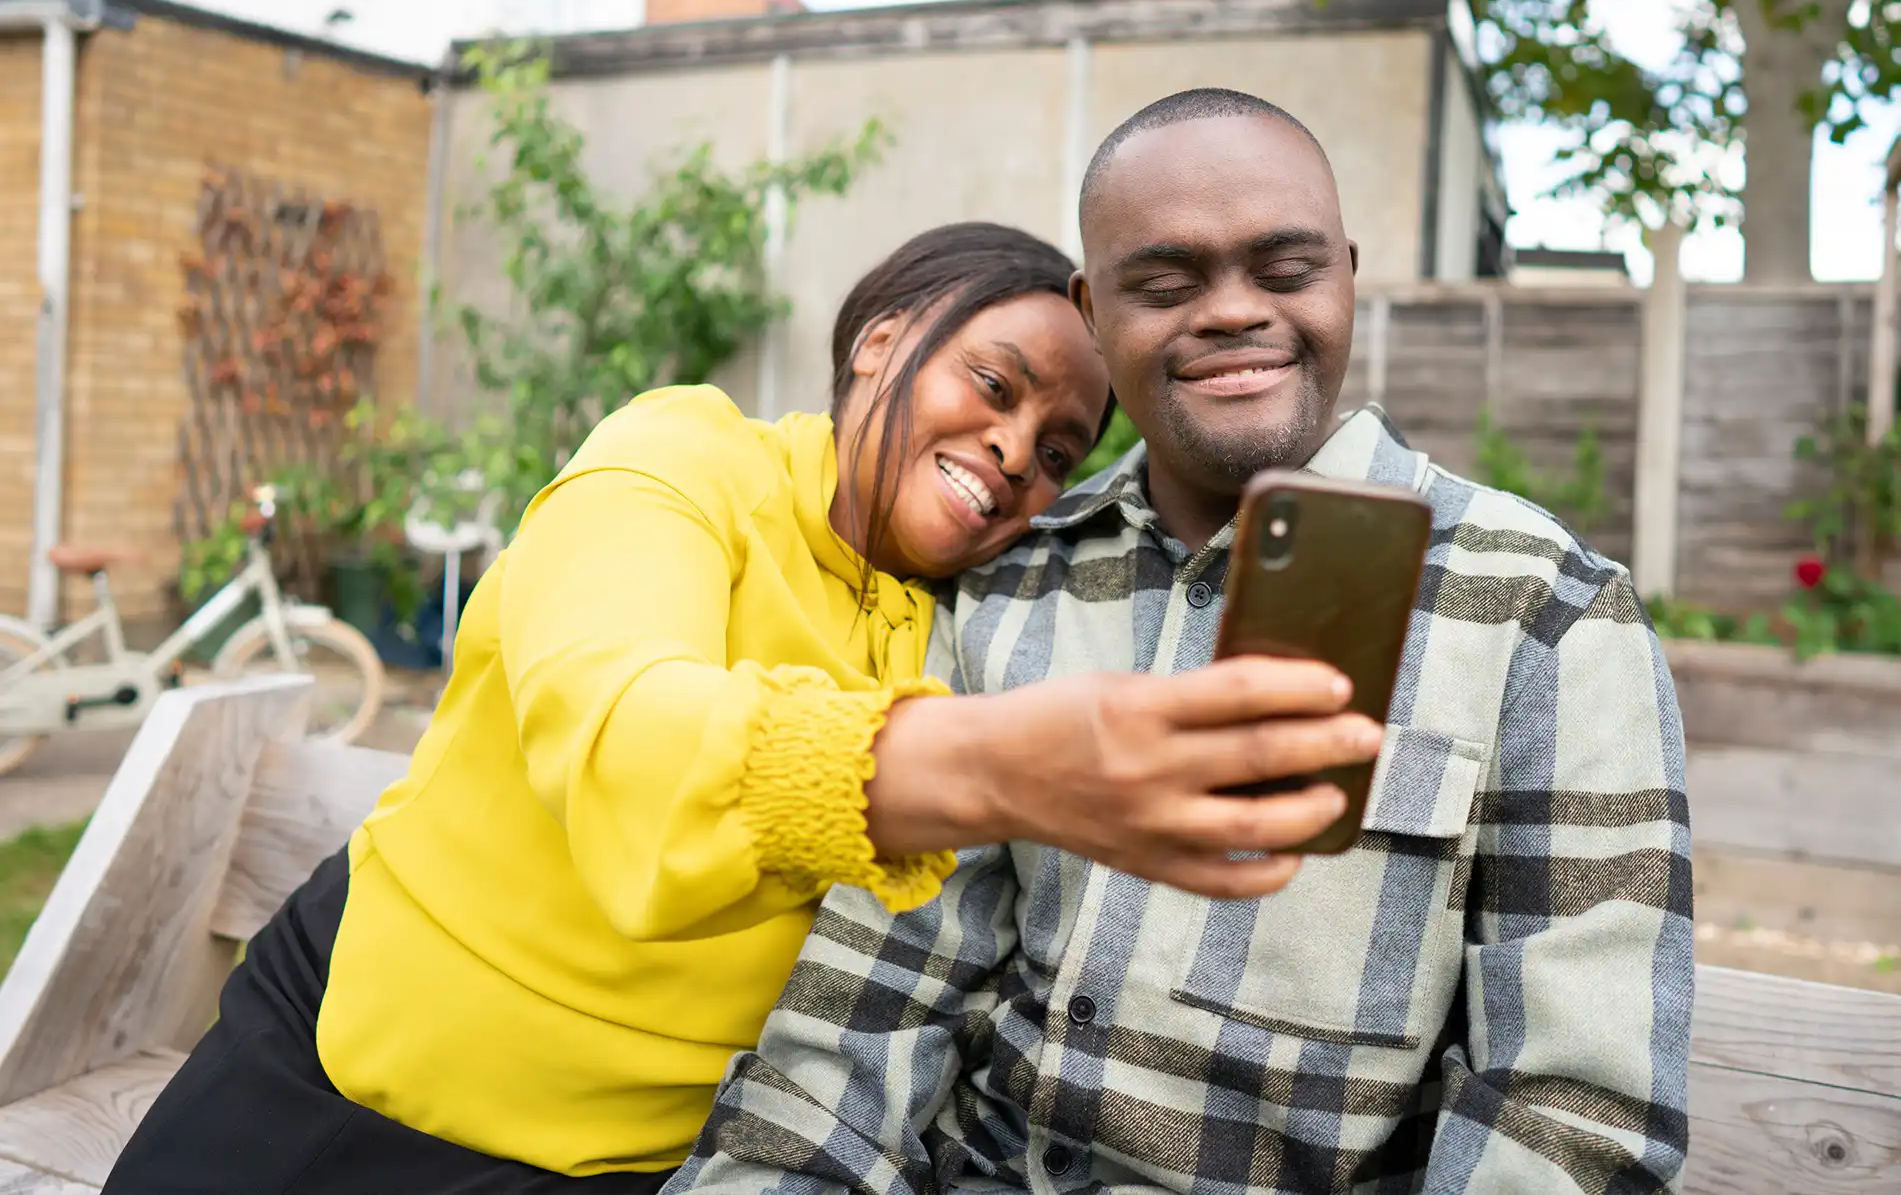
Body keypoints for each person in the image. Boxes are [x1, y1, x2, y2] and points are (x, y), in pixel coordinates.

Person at [105, 221, 1380, 1195]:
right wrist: (988, 764)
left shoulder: (973, 629)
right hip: (336, 1071)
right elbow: (622, 731)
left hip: (633, 1166)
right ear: (881, 340)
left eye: (1057, 449)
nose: (1015, 453)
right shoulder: (682, 461)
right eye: (995, 385)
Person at [671, 91, 1694, 1195]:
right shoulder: (1009, 584)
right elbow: (868, 1009)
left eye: (1287, 270)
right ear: (1093, 311)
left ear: (1347, 277)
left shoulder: (1547, 612)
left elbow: (1576, 1117)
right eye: (1165, 285)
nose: (1233, 313)